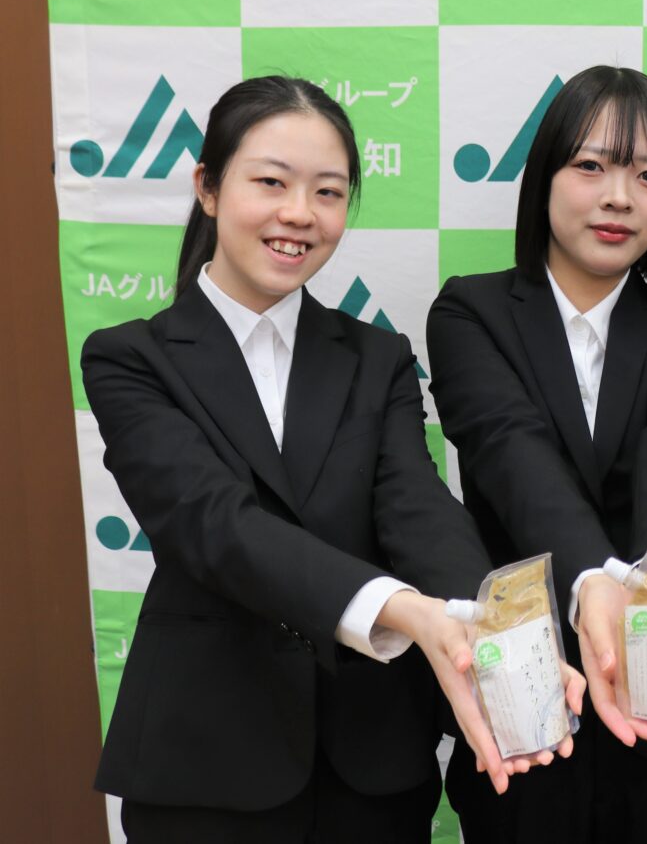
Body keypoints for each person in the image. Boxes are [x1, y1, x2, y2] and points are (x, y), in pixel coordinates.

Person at [83, 76, 575, 843]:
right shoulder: (132, 358)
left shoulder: (376, 356)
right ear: (208, 187)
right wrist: (404, 609)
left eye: (328, 191)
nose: (299, 214)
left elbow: (416, 506)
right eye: (271, 182)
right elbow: (216, 523)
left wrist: (492, 627)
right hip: (206, 758)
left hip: (372, 763)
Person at [428, 65, 647, 843]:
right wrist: (596, 579)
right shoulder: (471, 311)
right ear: (543, 178)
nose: (619, 196)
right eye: (591, 165)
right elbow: (512, 455)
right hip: (526, 707)